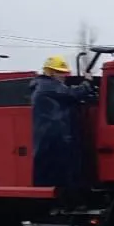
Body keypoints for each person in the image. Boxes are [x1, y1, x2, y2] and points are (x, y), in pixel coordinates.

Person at [31, 54, 95, 206]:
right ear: (51, 72)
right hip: (55, 138)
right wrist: (87, 82)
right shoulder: (48, 86)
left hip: (53, 138)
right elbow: (73, 94)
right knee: (67, 172)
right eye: (61, 72)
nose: (64, 76)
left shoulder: (45, 86)